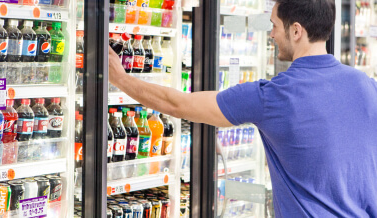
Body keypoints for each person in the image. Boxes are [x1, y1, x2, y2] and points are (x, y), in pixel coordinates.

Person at [109, 0, 377, 217]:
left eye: (274, 25)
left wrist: (120, 78)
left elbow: (176, 104)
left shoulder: (275, 96)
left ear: (296, 31)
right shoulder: (367, 86)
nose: (270, 34)